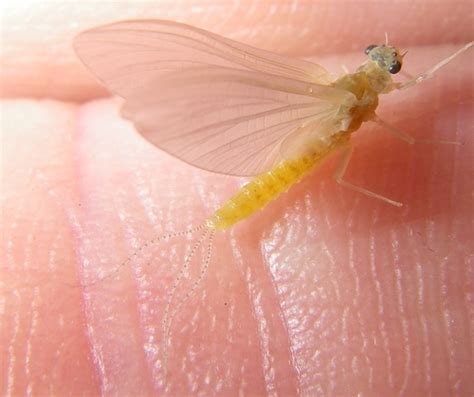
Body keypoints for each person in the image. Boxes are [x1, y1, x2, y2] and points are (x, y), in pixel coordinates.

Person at [1, 1, 472, 395]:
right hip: (302, 156)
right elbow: (411, 118)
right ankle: (219, 227)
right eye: (381, 58)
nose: (382, 61)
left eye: (384, 60)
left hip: (306, 144)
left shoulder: (331, 88)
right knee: (340, 177)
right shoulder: (347, 95)